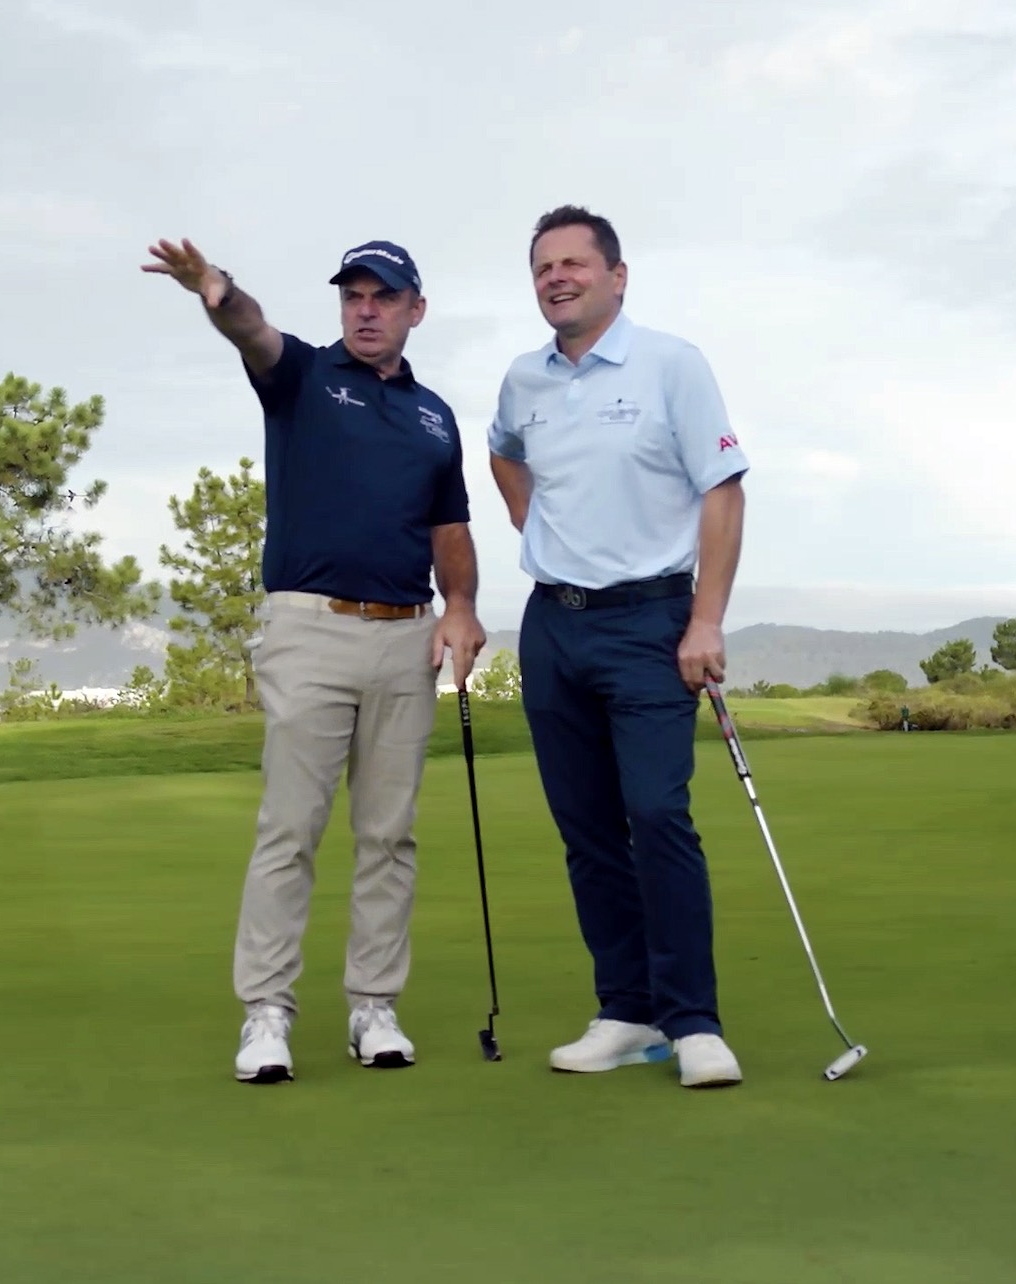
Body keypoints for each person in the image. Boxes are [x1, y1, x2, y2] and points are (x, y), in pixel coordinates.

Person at [143, 235, 487, 1084]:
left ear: (415, 310)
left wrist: (464, 608)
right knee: (290, 829)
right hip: (311, 628)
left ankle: (374, 1006)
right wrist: (215, 289)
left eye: (383, 296)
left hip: (407, 633)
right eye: (353, 296)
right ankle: (267, 1013)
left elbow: (449, 529)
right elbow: (251, 330)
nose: (365, 310)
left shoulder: (435, 416)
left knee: (388, 833)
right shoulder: (302, 376)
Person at [486, 205, 751, 1089]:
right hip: (553, 626)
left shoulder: (672, 364)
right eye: (542, 268)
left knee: (658, 813)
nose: (556, 278)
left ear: (617, 276)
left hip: (650, 622)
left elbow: (723, 491)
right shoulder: (524, 380)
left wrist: (705, 619)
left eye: (573, 264)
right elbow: (503, 454)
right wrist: (531, 516)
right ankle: (626, 1009)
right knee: (587, 829)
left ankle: (693, 1019)